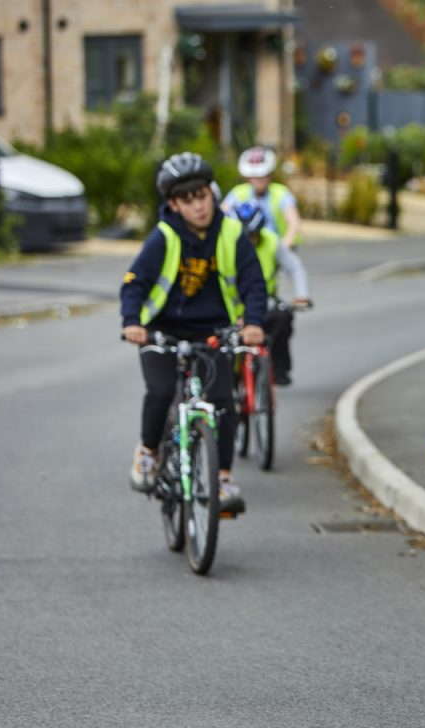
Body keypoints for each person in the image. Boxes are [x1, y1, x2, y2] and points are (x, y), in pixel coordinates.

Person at [121, 152, 268, 514]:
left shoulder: (231, 232)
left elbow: (254, 284)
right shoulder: (164, 235)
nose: (199, 207)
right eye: (188, 201)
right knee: (159, 391)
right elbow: (134, 283)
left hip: (214, 332)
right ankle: (148, 452)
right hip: (161, 332)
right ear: (174, 204)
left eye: (202, 196)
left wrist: (252, 323)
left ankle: (221, 479)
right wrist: (132, 323)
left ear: (212, 194)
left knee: (222, 404)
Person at [230, 201, 312, 385]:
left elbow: (294, 267)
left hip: (263, 301)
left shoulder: (271, 241)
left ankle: (277, 368)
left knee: (282, 317)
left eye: (252, 236)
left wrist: (302, 295)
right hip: (231, 305)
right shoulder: (224, 242)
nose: (248, 241)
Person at [221, 146, 302, 247]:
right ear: (248, 177)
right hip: (246, 248)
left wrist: (284, 246)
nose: (258, 180)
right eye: (254, 176)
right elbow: (221, 215)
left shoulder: (281, 193)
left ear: (269, 175)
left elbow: (293, 223)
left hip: (277, 248)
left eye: (262, 176)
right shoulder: (238, 193)